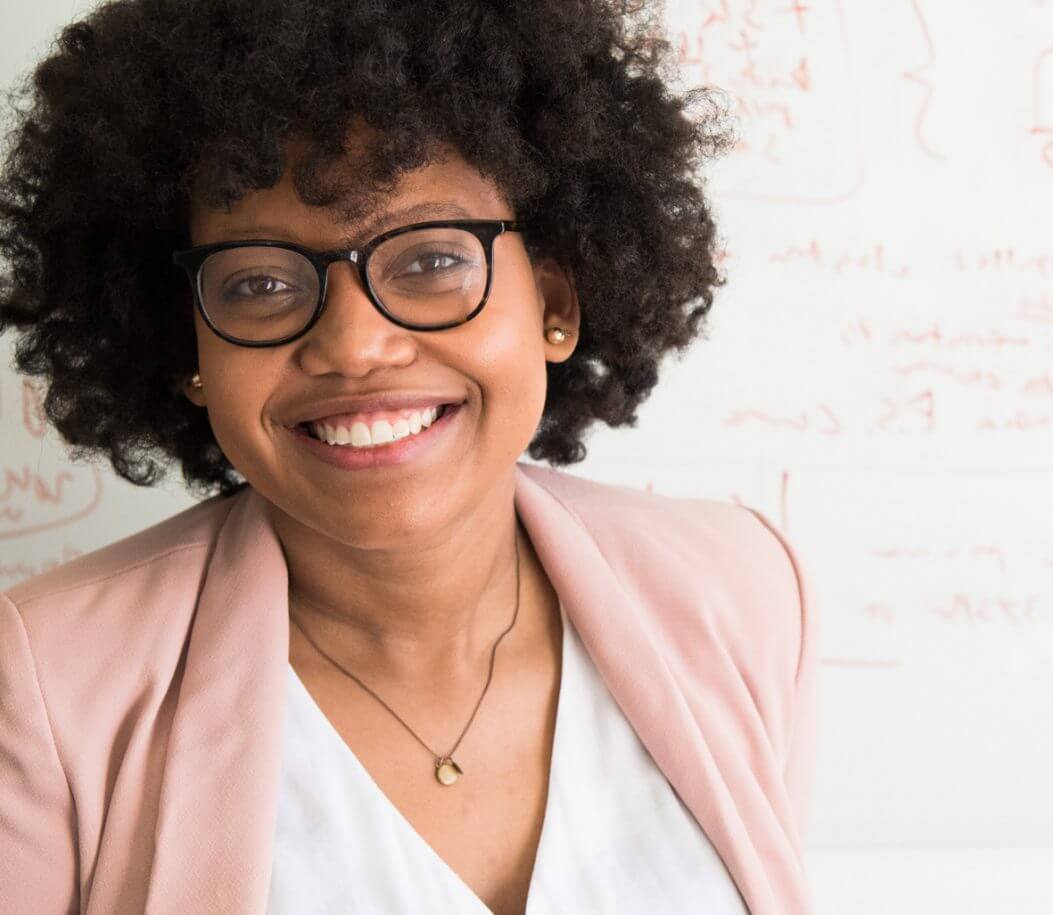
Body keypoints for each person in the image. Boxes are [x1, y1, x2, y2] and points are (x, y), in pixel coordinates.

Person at [0, 1, 821, 913]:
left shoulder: (743, 589)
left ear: (556, 300)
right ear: (187, 341)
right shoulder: (42, 687)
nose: (355, 346)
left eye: (431, 260)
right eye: (261, 283)